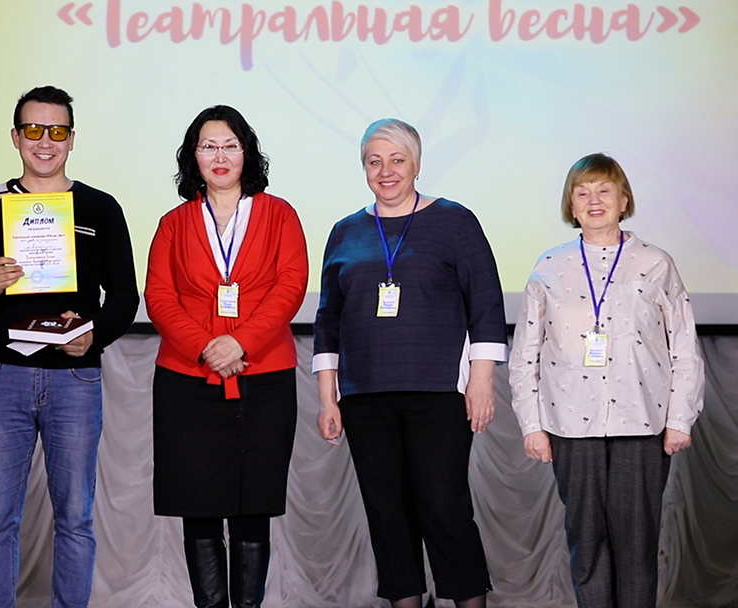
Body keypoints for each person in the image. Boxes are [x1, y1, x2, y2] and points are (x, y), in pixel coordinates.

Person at [0, 85, 139, 608]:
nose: (44, 142)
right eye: (33, 130)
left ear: (72, 139)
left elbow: (125, 296)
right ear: (15, 137)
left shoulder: (101, 207)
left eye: (56, 131)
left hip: (75, 379)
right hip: (2, 376)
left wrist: (92, 333)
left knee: (75, 516)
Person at [313, 118, 505, 608]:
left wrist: (481, 382)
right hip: (364, 395)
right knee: (386, 514)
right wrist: (328, 398)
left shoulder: (455, 221)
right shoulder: (345, 231)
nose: (386, 171)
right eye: (374, 161)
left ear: (416, 163)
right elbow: (328, 320)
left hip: (438, 393)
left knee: (443, 508)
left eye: (397, 159)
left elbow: (486, 305)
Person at [508, 153, 704, 608]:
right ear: (571, 205)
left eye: (604, 191)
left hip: (643, 422)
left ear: (624, 200)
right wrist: (532, 425)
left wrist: (680, 419)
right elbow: (525, 353)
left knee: (637, 544)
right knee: (587, 542)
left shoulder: (656, 263)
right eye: (582, 193)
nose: (594, 200)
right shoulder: (549, 266)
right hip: (569, 425)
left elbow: (684, 345)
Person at [145, 105, 308, 608]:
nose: (219, 156)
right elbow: (159, 297)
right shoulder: (173, 224)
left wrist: (240, 342)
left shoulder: (280, 214)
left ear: (247, 153)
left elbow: (291, 285)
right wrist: (205, 347)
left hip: (264, 378)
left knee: (253, 506)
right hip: (186, 382)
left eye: (230, 146)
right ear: (192, 156)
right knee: (197, 507)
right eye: (208, 146)